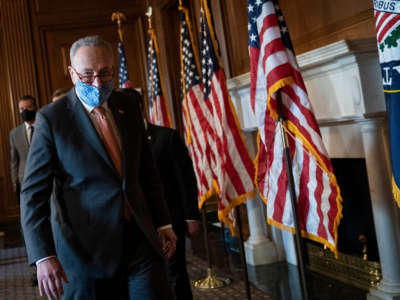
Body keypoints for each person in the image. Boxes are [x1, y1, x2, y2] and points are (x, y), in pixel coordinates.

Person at [20, 35, 176, 300]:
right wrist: (43, 256)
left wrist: (163, 223)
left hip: (139, 240)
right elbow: (33, 194)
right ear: (72, 74)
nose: (97, 82)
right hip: (85, 251)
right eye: (88, 74)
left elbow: (146, 172)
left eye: (105, 74)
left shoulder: (127, 105)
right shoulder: (52, 119)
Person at [118, 88, 200, 300]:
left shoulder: (167, 137)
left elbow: (186, 181)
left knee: (175, 274)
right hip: (136, 225)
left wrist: (191, 216)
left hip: (169, 220)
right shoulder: (117, 142)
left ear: (138, 109)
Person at [10, 95, 38, 204]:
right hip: (24, 179)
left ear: (36, 108)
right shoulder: (14, 133)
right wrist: (14, 181)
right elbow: (14, 160)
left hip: (47, 177)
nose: (25, 111)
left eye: (28, 107)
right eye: (22, 109)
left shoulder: (44, 127)